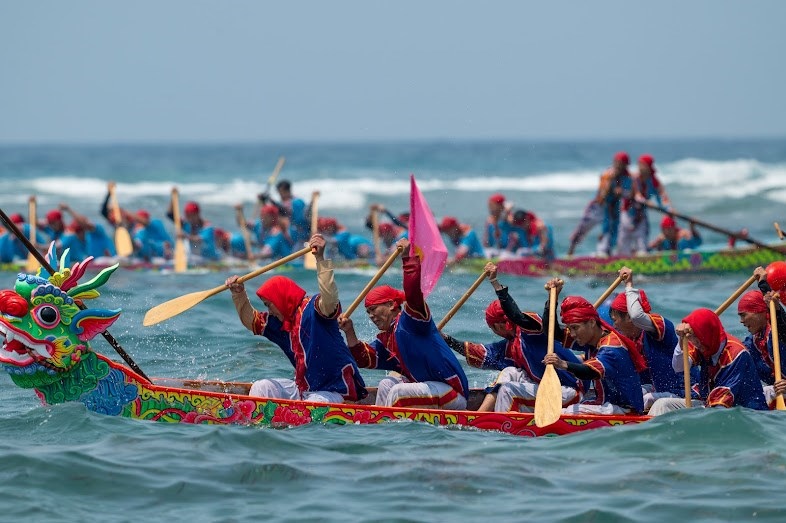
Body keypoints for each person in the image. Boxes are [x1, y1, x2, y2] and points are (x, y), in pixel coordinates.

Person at [225, 234, 367, 403]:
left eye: (269, 305)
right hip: (305, 389)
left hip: (337, 392)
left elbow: (330, 299)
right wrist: (239, 293)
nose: (269, 311)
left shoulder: (313, 309)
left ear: (280, 299)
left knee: (314, 404)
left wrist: (320, 259)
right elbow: (251, 321)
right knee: (261, 387)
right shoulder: (281, 323)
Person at [337, 237, 469, 409]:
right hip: (429, 390)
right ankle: (378, 423)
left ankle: (383, 419)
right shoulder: (387, 339)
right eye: (368, 312)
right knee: (386, 384)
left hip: (453, 393)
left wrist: (408, 258)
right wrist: (349, 331)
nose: (371, 316)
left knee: (398, 391)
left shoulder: (411, 320)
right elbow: (364, 359)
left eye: (374, 309)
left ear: (392, 305)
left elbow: (414, 295)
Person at [440, 262, 583, 412]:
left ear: (498, 326)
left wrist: (495, 282)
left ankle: (497, 422)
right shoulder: (510, 346)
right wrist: (447, 339)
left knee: (508, 389)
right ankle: (481, 414)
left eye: (492, 328)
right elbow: (479, 353)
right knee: (509, 372)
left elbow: (516, 316)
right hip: (549, 389)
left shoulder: (531, 330)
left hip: (569, 392)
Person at [541, 278, 646, 415]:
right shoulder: (590, 339)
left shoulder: (612, 347)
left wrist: (563, 364)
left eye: (575, 328)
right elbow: (553, 332)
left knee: (570, 411)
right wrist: (552, 298)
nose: (572, 334)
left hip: (627, 410)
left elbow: (589, 372)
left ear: (591, 322)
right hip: (605, 403)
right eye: (569, 328)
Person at [648, 308, 768, 415]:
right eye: (692, 337)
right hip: (710, 405)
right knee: (662, 404)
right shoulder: (702, 342)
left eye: (696, 337)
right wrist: (681, 339)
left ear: (707, 333)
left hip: (746, 412)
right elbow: (679, 367)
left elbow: (721, 403)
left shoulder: (736, 355)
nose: (695, 342)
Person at [609, 266, 697, 410]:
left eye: (615, 320)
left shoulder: (660, 328)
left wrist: (629, 285)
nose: (615, 325)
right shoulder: (633, 340)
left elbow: (637, 316)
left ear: (629, 318)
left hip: (686, 394)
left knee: (648, 399)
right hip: (661, 391)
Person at [566, 151, 633, 257]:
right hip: (598, 206)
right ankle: (570, 252)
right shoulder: (607, 175)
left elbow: (629, 193)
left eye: (621, 163)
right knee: (583, 228)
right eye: (617, 162)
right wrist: (611, 184)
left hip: (613, 207)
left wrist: (621, 192)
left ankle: (605, 252)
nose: (618, 165)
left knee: (610, 230)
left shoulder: (628, 177)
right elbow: (603, 195)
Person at [737, 266, 786, 406]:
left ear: (760, 311)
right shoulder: (753, 343)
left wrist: (763, 285)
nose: (741, 321)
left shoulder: (778, 333)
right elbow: (731, 354)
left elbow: (780, 320)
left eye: (744, 315)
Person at [617, 154, 672, 255]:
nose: (640, 167)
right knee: (624, 240)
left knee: (642, 240)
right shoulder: (634, 178)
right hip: (628, 213)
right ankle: (622, 257)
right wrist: (646, 202)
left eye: (642, 165)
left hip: (641, 214)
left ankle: (642, 256)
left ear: (649, 167)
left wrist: (668, 209)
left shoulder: (654, 182)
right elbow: (637, 195)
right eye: (639, 164)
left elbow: (662, 197)